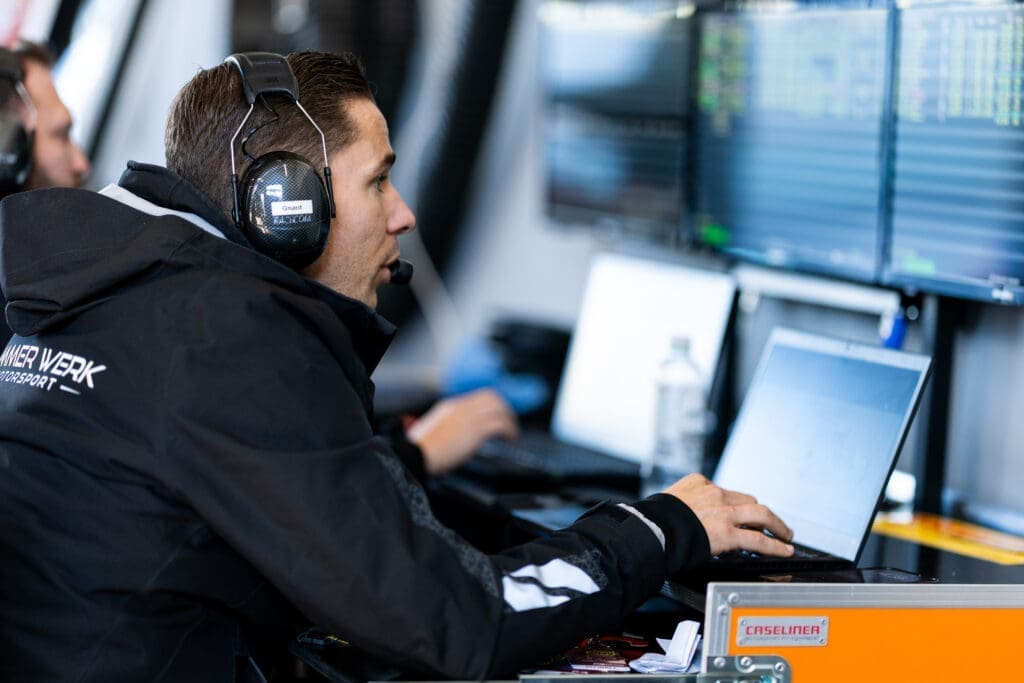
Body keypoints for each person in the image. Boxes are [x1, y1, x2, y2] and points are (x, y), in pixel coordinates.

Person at [0, 51, 793, 681]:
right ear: (285, 208)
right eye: (377, 178)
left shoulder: (118, 295)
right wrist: (660, 526)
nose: (403, 212)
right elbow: (460, 619)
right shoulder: (226, 337)